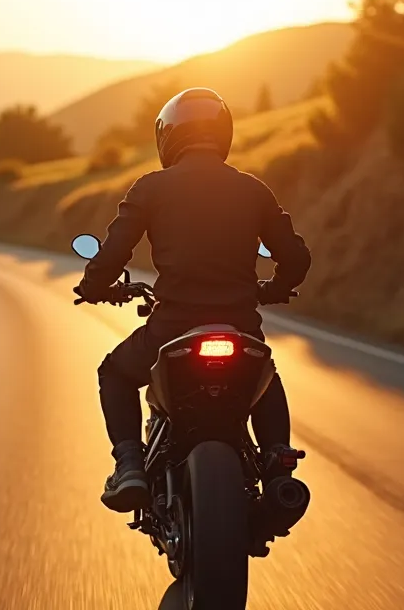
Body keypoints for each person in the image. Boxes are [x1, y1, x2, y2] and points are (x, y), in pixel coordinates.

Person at [74, 87, 311, 513]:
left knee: (115, 372)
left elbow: (112, 255)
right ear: (223, 134)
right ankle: (278, 467)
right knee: (264, 376)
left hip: (172, 329)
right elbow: (295, 258)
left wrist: (92, 288)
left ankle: (129, 464)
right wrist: (273, 289)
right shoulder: (253, 190)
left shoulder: (150, 188)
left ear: (169, 136)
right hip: (240, 326)